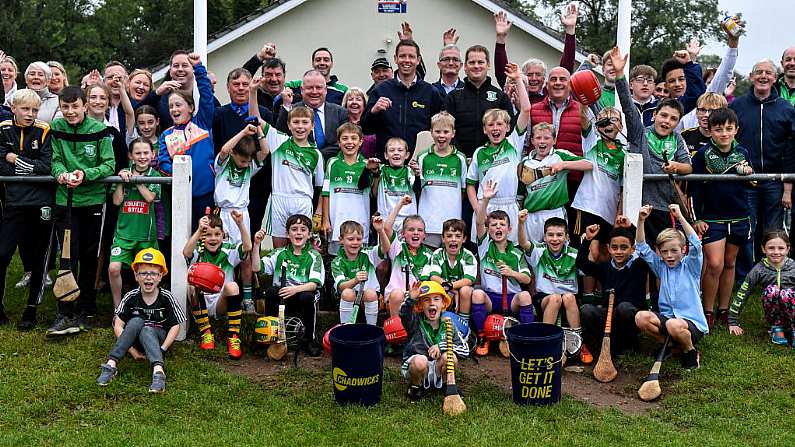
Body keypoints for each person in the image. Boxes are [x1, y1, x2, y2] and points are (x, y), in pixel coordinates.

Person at [47, 86, 115, 336]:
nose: (70, 111)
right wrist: (60, 174)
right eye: (65, 107)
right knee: (67, 256)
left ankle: (86, 309)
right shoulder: (56, 128)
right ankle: (64, 311)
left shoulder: (99, 131)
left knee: (89, 256)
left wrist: (86, 174)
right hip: (66, 202)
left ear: (85, 106)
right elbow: (53, 159)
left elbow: (109, 165)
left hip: (94, 202)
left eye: (75, 106)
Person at [613, 47, 692, 248]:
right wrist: (620, 75)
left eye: (673, 119)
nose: (667, 121)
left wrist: (675, 166)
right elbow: (628, 108)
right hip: (640, 208)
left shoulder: (677, 139)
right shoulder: (641, 133)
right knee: (640, 259)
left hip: (667, 208)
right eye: (664, 116)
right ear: (654, 114)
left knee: (664, 257)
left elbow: (688, 167)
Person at [731, 59, 795, 284]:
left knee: (772, 231)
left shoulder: (786, 109)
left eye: (768, 72)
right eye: (759, 72)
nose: (763, 76)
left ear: (775, 78)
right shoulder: (737, 106)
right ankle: (746, 279)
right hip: (744, 179)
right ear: (751, 77)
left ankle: (773, 280)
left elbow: (790, 149)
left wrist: (787, 187)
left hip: (774, 180)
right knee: (746, 231)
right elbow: (729, 143)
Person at [690, 108, 753, 328]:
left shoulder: (743, 152)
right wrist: (696, 218)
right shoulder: (702, 155)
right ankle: (707, 311)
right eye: (718, 129)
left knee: (729, 263)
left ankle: (724, 309)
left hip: (738, 217)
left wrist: (747, 173)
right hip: (713, 218)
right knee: (714, 265)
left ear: (736, 129)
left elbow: (751, 184)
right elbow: (694, 189)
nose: (724, 133)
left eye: (728, 129)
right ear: (711, 130)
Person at [0, 89, 54, 330]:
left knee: (38, 257)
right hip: (13, 203)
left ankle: (31, 309)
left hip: (41, 202)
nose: (31, 114)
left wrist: (15, 159)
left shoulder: (44, 130)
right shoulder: (2, 128)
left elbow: (46, 166)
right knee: (2, 255)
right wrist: (26, 166)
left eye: (34, 110)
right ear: (14, 109)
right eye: (25, 109)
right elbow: (1, 165)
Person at [96, 248, 184, 393]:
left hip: (158, 340)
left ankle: (158, 371)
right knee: (136, 322)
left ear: (161, 276)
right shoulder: (131, 296)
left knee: (147, 328)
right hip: (133, 340)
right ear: (136, 276)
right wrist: (132, 351)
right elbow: (118, 324)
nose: (148, 278)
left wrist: (163, 349)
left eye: (154, 273)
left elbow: (175, 326)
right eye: (143, 273)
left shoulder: (167, 297)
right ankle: (111, 364)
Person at [635, 204, 706, 370]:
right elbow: (641, 247)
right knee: (641, 318)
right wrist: (641, 220)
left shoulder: (691, 266)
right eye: (664, 251)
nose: (669, 255)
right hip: (669, 320)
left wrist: (680, 216)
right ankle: (670, 345)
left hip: (690, 324)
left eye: (674, 251)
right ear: (659, 252)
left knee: (673, 325)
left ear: (683, 249)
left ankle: (690, 351)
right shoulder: (660, 266)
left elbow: (696, 244)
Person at [466, 62, 531, 242]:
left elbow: (526, 109)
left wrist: (518, 79)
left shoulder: (513, 143)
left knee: (510, 254)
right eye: (491, 125)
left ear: (508, 127)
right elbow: (470, 184)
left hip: (509, 206)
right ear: (485, 129)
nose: (495, 128)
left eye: (500, 124)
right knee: (485, 255)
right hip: (485, 207)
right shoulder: (480, 152)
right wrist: (478, 209)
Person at [471, 180, 533, 356]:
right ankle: (482, 337)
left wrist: (512, 273)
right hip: (491, 298)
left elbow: (527, 279)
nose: (497, 227)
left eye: (502, 225)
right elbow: (478, 222)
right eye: (493, 225)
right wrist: (485, 200)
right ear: (488, 229)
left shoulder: (516, 252)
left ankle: (526, 338)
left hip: (511, 299)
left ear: (509, 229)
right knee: (476, 293)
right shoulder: (484, 246)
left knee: (526, 295)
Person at [158, 52, 216, 231]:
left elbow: (206, 95)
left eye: (178, 105)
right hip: (180, 196)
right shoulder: (166, 135)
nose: (174, 109)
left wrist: (198, 68)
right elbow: (162, 163)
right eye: (171, 106)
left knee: (205, 237)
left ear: (191, 108)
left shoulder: (202, 123)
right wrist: (179, 172)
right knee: (182, 239)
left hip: (206, 194)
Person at [215, 121, 269, 313]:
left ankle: (247, 300)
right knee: (224, 254)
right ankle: (221, 295)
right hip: (224, 214)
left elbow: (265, 151)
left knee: (245, 257)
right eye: (243, 161)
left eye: (248, 161)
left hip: (242, 215)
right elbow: (223, 149)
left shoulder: (250, 165)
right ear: (234, 154)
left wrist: (259, 131)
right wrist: (243, 132)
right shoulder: (222, 164)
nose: (246, 164)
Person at [253, 214, 325, 357]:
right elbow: (256, 268)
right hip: (283, 297)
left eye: (303, 229)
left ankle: (309, 339)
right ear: (287, 234)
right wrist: (256, 245)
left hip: (301, 295)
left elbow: (313, 284)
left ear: (309, 234)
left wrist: (294, 289)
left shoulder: (314, 256)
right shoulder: (280, 253)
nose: (298, 232)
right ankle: (269, 336)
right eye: (294, 229)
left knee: (307, 296)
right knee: (272, 292)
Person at [183, 211, 251, 359]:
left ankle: (233, 337)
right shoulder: (198, 251)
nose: (213, 238)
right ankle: (206, 333)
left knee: (232, 286)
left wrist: (240, 224)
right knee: (191, 286)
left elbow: (247, 247)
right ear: (202, 237)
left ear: (223, 235)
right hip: (201, 301)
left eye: (217, 234)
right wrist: (199, 230)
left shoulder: (229, 250)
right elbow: (186, 252)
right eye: (208, 235)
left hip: (221, 302)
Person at [577, 221, 650, 356]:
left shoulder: (640, 265)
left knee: (624, 308)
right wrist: (588, 240)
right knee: (587, 310)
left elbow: (646, 247)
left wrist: (632, 227)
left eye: (624, 247)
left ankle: (628, 347)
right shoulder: (605, 268)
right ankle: (599, 347)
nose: (619, 252)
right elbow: (582, 263)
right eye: (614, 248)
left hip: (631, 315)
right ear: (609, 248)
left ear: (632, 249)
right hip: (608, 314)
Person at [255, 106, 324, 249]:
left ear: (312, 126)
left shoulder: (316, 153)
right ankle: (278, 272)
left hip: (303, 202)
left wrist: (318, 212)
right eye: (296, 122)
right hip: (280, 199)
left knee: (300, 249)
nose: (300, 126)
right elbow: (257, 119)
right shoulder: (279, 140)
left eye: (305, 122)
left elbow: (321, 186)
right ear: (289, 125)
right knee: (279, 249)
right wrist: (253, 91)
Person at [363, 39, 443, 157]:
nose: (406, 60)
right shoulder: (381, 91)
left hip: (420, 164)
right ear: (395, 59)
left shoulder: (430, 92)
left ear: (418, 60)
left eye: (411, 56)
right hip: (388, 164)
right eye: (402, 56)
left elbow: (439, 129)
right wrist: (373, 111)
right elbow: (365, 129)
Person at [108, 138, 162, 308]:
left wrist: (136, 180)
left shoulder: (155, 175)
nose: (142, 156)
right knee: (114, 269)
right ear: (131, 156)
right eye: (137, 153)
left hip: (146, 236)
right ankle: (118, 308)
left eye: (146, 153)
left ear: (153, 154)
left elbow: (150, 197)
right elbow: (116, 201)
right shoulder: (124, 173)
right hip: (124, 234)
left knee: (147, 274)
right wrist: (120, 181)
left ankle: (145, 306)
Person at [520, 122, 591, 243]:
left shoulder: (559, 156)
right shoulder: (524, 162)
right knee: (532, 253)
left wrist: (563, 165)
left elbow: (589, 164)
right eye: (538, 138)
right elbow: (520, 193)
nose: (542, 142)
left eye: (547, 138)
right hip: (531, 215)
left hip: (555, 213)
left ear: (554, 140)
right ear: (532, 140)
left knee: (558, 250)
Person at [400, 280, 469, 401]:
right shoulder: (414, 321)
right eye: (427, 300)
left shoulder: (449, 323)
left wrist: (442, 346)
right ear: (420, 305)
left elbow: (464, 350)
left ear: (443, 304)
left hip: (438, 366)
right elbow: (404, 313)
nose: (432, 303)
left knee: (450, 357)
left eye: (436, 299)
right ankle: (416, 386)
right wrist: (410, 299)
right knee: (420, 361)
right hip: (419, 366)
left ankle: (447, 384)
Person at [444, 44, 515, 158]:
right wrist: (460, 156)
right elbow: (446, 129)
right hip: (459, 160)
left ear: (488, 65)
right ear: (465, 67)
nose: (476, 66)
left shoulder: (500, 97)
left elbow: (509, 130)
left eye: (480, 62)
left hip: (493, 160)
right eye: (472, 62)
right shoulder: (453, 98)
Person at [493, 6, 578, 98]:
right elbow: (503, 74)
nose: (533, 79)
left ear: (544, 79)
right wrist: (500, 38)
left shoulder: (550, 95)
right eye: (529, 75)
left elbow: (565, 69)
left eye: (538, 75)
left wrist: (570, 31)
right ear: (522, 77)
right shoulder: (515, 94)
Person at [728, 231, 795, 346]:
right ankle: (777, 328)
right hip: (775, 313)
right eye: (771, 248)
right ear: (763, 249)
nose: (776, 252)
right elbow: (743, 292)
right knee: (771, 291)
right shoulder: (759, 269)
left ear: (788, 249)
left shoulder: (793, 267)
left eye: (781, 248)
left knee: (786, 294)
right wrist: (732, 321)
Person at [417, 112, 468, 248]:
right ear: (431, 132)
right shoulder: (423, 158)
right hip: (428, 222)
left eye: (446, 132)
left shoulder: (460, 159)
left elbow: (463, 191)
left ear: (453, 133)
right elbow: (418, 188)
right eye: (437, 131)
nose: (441, 135)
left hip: (452, 224)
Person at [379, 195, 434, 320]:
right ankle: (396, 328)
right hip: (397, 299)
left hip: (419, 297)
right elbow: (387, 228)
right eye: (411, 230)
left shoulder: (429, 254)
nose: (415, 233)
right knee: (397, 294)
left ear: (424, 235)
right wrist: (400, 204)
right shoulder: (398, 248)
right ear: (403, 234)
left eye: (420, 230)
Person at [321, 123, 371, 255]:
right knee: (337, 258)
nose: (349, 142)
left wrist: (375, 172)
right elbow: (325, 193)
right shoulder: (332, 163)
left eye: (354, 138)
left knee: (359, 259)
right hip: (337, 220)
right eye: (345, 138)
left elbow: (374, 192)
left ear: (361, 142)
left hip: (360, 221)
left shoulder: (367, 164)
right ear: (338, 142)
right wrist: (325, 220)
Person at [277, 69, 348, 160]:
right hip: (298, 165)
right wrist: (286, 106)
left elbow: (342, 142)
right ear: (302, 90)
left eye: (318, 88)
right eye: (310, 88)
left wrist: (314, 156)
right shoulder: (290, 110)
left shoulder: (340, 112)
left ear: (325, 90)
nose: (314, 92)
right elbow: (281, 138)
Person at [422, 219, 477, 326]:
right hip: (443, 288)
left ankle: (463, 325)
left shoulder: (468, 256)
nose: (453, 240)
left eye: (457, 236)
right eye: (449, 236)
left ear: (464, 239)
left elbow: (468, 280)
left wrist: (452, 287)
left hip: (460, 291)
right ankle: (437, 324)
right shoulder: (438, 254)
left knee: (465, 290)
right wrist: (450, 289)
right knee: (435, 290)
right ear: (443, 238)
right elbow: (434, 277)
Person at [331, 218, 385, 326]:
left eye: (359, 239)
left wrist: (380, 230)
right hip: (348, 298)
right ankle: (345, 328)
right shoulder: (337, 262)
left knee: (370, 293)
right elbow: (341, 286)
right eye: (351, 239)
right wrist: (355, 280)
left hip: (369, 297)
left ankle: (371, 328)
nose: (355, 243)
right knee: (347, 293)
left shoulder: (367, 253)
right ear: (341, 240)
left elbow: (386, 248)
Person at [212, 68, 275, 153]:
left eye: (245, 84)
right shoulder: (217, 114)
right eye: (236, 84)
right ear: (228, 87)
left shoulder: (265, 114)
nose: (241, 88)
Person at [370, 137, 418, 233]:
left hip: (407, 220)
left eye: (400, 150)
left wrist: (417, 175)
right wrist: (372, 168)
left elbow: (417, 188)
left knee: (407, 248)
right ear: (386, 155)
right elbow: (373, 192)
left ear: (407, 155)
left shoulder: (410, 171)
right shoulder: (381, 170)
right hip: (386, 219)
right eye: (392, 150)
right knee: (387, 247)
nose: (396, 153)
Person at [341, 87, 376, 158]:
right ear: (345, 104)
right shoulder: (340, 122)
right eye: (350, 99)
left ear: (364, 103)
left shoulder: (372, 121)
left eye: (358, 99)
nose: (354, 102)